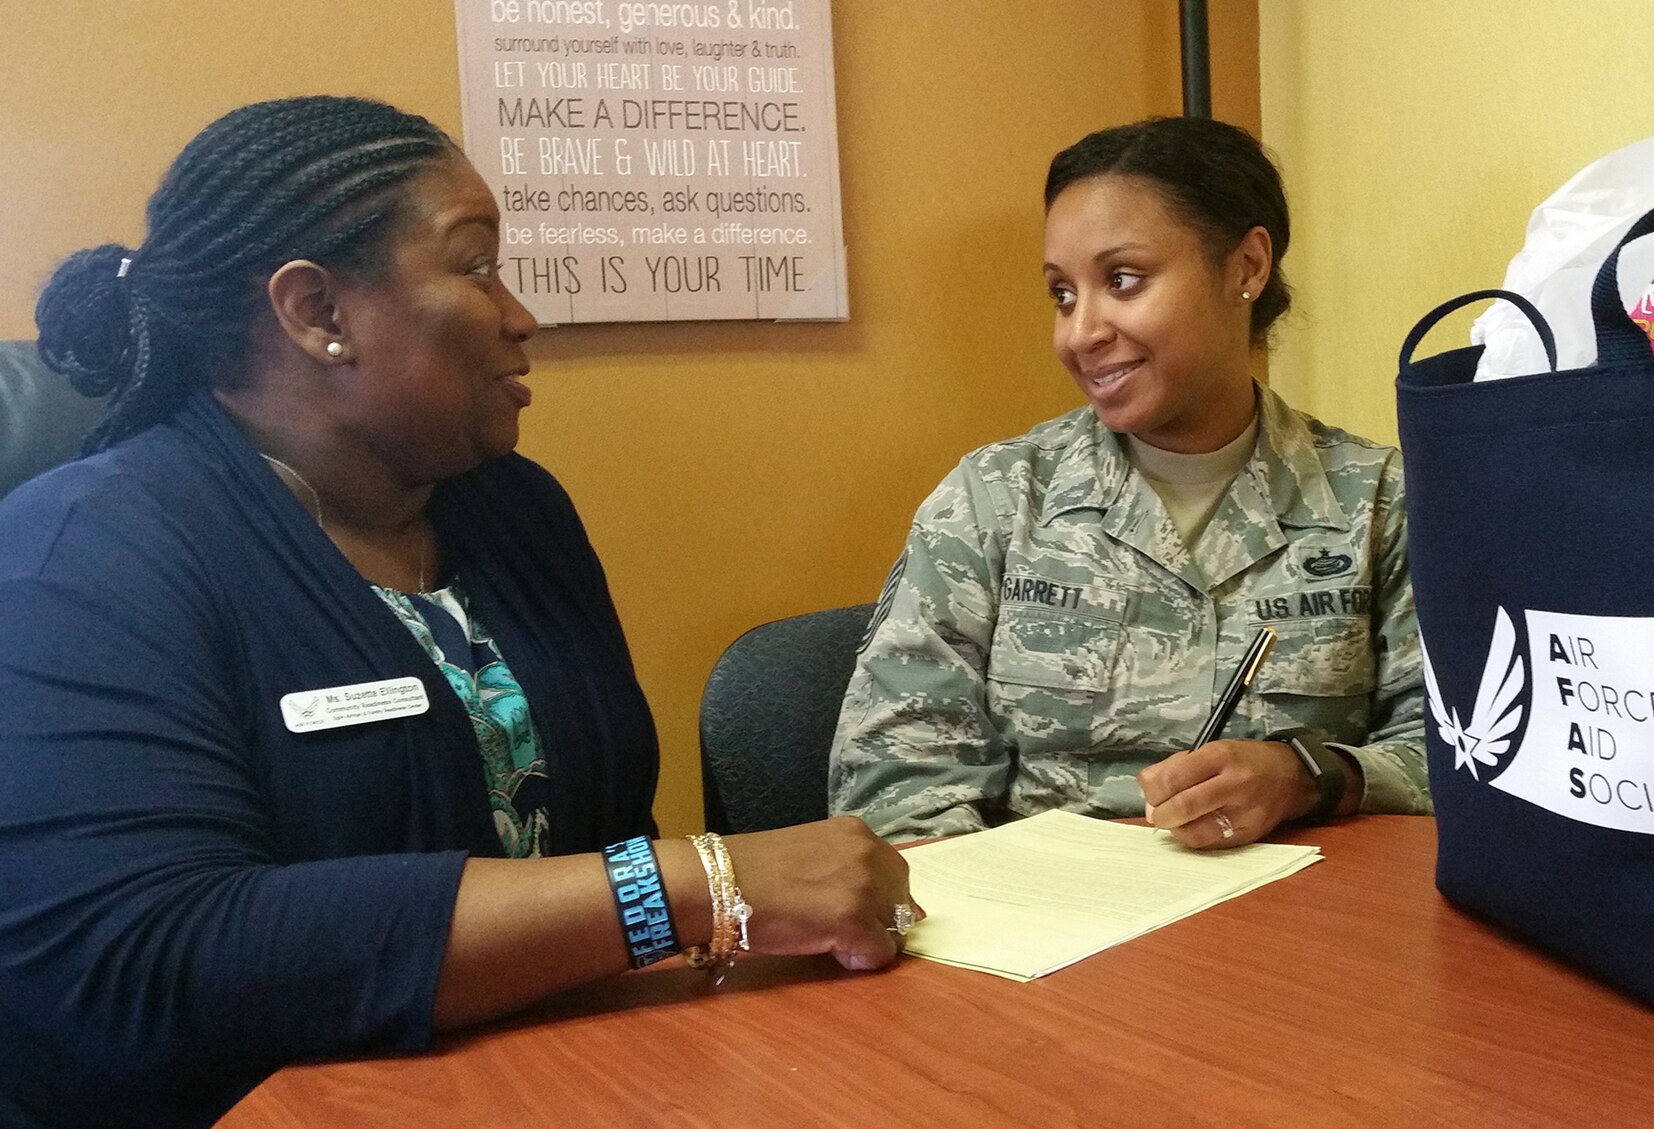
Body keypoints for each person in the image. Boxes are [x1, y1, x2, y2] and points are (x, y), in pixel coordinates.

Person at [0, 96, 915, 1129]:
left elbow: (598, 829)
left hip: (557, 1077)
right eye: (474, 265)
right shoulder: (82, 557)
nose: (518, 314)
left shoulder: (513, 509)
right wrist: (690, 884)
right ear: (316, 313)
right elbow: (149, 955)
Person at [830, 116, 1430, 847]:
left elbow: (1463, 754)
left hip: (1302, 930)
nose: (1080, 332)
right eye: (1062, 294)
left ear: (1246, 266)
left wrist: (1309, 775)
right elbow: (894, 791)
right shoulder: (996, 500)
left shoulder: (1379, 501)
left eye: (1122, 280)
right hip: (1052, 931)